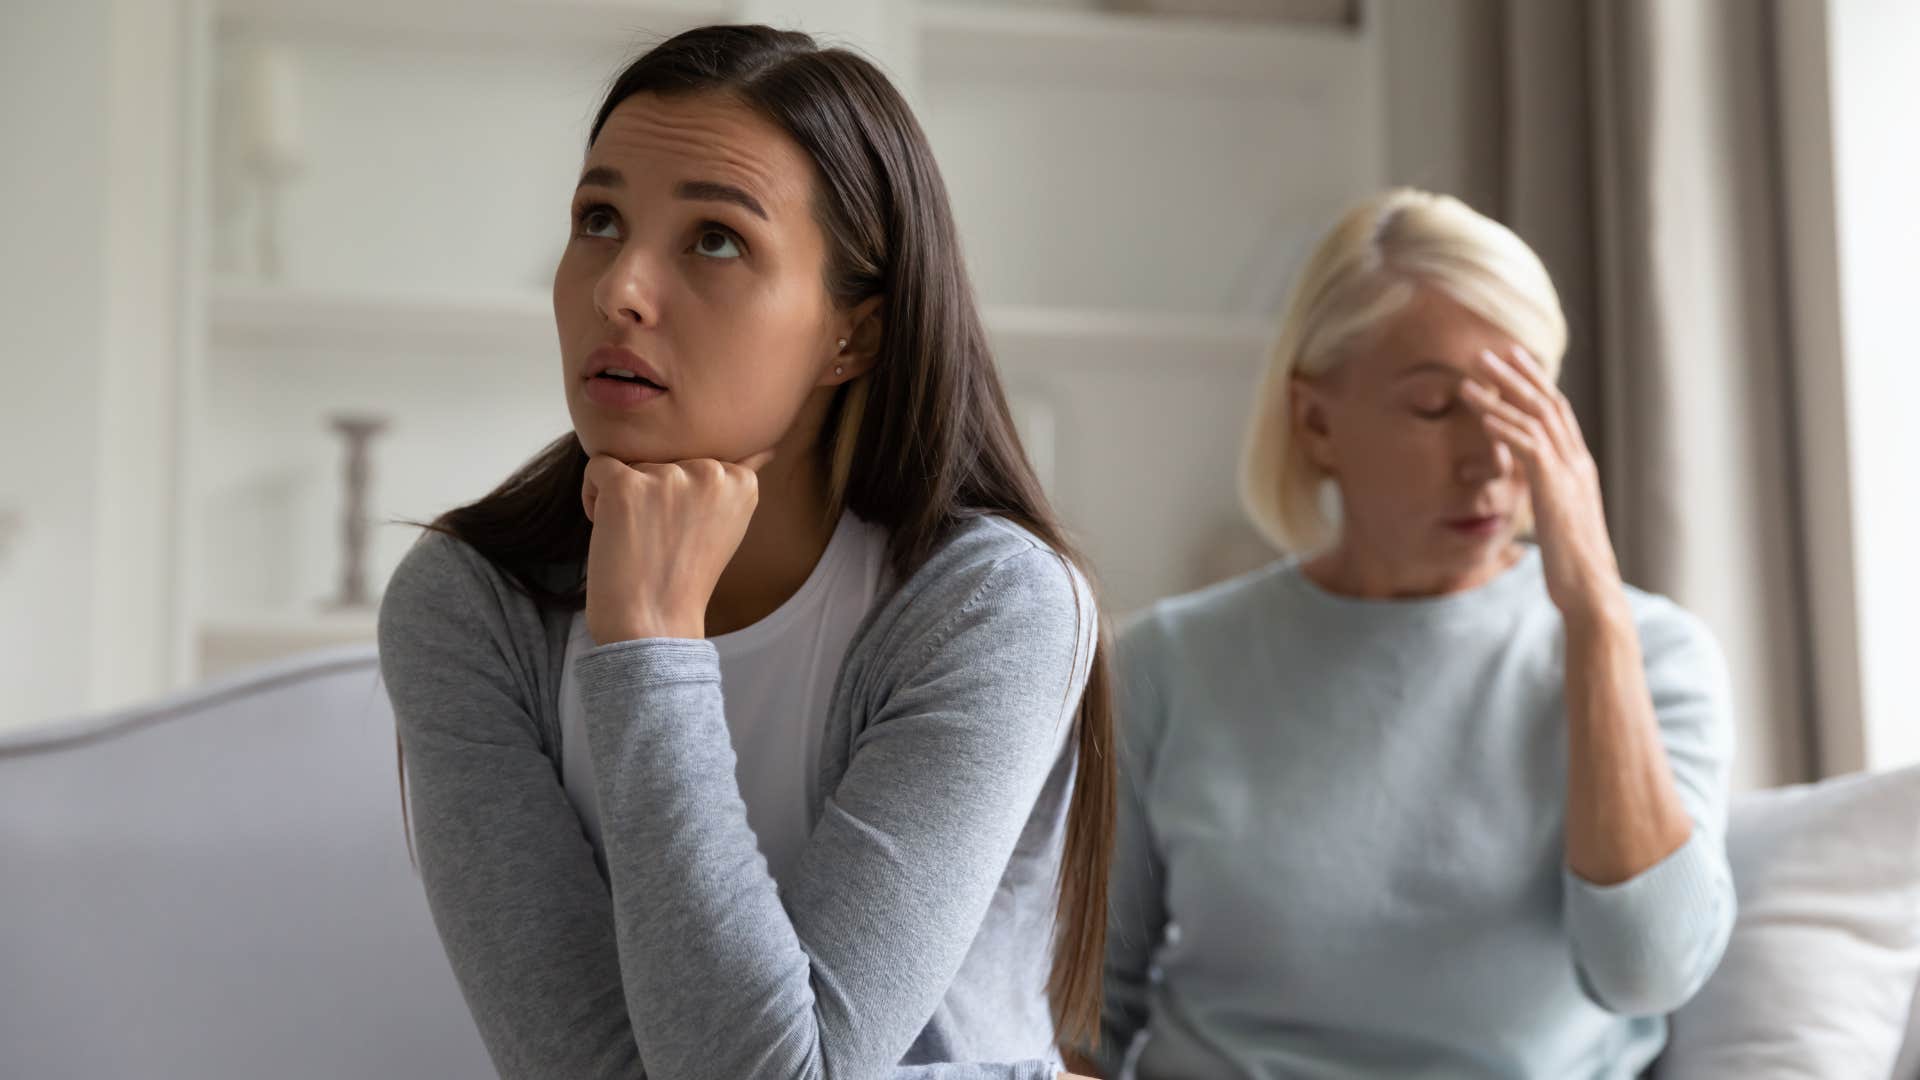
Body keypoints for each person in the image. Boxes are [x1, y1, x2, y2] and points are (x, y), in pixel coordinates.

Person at [377, 25, 1112, 1080]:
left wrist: (649, 649)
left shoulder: (990, 608)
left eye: (714, 239)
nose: (618, 288)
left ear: (852, 335)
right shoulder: (470, 603)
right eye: (598, 219)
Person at [1078, 189, 1736, 1079]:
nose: (1494, 459)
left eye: (1522, 406)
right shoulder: (1164, 667)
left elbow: (1648, 972)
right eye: (1436, 407)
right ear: (1315, 422)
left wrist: (1594, 618)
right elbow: (1084, 1017)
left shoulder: (1655, 656)